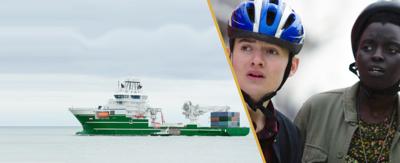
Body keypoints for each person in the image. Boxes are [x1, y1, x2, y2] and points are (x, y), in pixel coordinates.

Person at [294, 1, 400, 162]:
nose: (377, 55)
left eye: (392, 50)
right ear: (356, 55)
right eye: (368, 47)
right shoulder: (317, 109)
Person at [227, 0, 305, 162]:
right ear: (229, 55)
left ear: (292, 66)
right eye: (246, 48)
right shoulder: (203, 121)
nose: (257, 61)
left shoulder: (291, 137)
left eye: (271, 51)